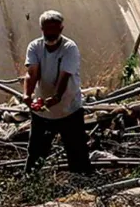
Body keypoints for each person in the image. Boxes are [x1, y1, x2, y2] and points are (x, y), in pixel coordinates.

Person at [23, 10, 92, 174]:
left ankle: (83, 185)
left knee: (77, 152)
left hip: (69, 109)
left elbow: (65, 76)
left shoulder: (69, 47)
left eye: (55, 31)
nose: (51, 35)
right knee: (36, 153)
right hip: (43, 113)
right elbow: (32, 73)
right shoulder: (35, 46)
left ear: (61, 29)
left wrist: (57, 97)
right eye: (48, 31)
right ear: (42, 29)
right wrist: (27, 95)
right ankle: (29, 184)